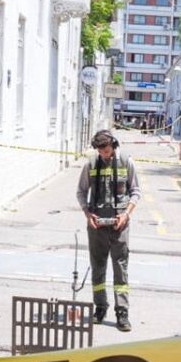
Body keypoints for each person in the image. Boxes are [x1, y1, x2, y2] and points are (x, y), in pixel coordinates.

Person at [76, 130, 141, 332]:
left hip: (119, 225)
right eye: (100, 151)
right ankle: (100, 307)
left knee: (120, 269)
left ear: (113, 144)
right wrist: (88, 214)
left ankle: (122, 313)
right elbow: (81, 192)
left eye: (106, 150)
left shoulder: (125, 162)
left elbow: (136, 192)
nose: (104, 154)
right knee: (98, 268)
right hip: (97, 227)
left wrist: (126, 214)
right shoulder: (90, 163)